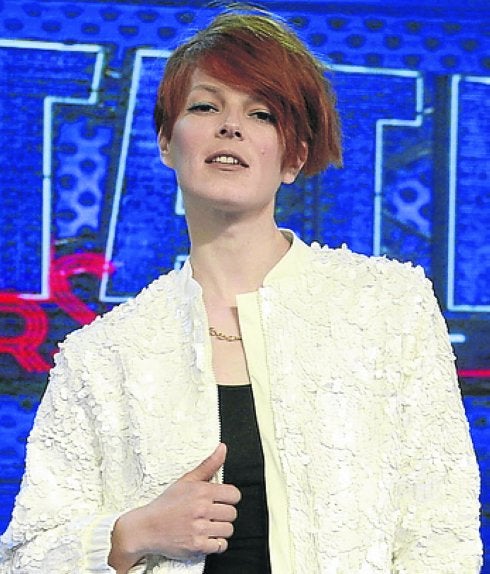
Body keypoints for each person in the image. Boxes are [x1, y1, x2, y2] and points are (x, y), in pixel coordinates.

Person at [0, 8, 483, 574]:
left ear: (294, 156)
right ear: (166, 141)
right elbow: (26, 554)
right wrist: (131, 533)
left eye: (261, 114)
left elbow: (440, 534)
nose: (231, 127)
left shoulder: (387, 306)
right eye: (206, 107)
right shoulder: (103, 355)